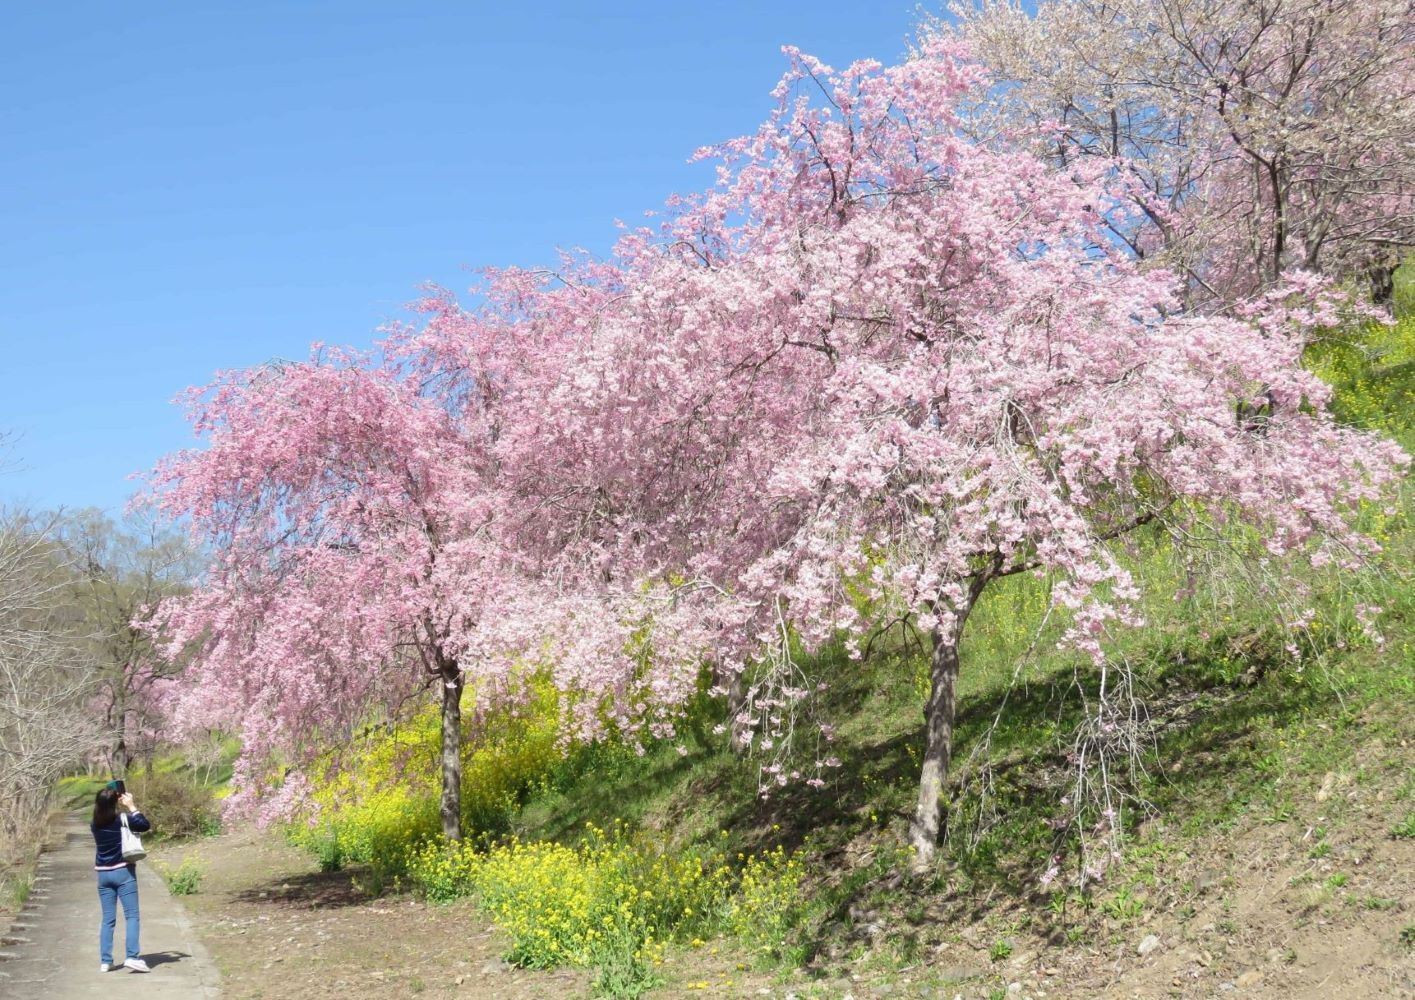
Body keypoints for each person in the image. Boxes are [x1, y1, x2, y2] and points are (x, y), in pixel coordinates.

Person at [90, 784, 152, 973]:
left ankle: (106, 961)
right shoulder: (122, 819)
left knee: (108, 919)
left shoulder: (94, 825)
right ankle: (132, 957)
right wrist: (131, 805)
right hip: (123, 872)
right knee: (132, 916)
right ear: (115, 803)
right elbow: (144, 825)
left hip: (103, 874)